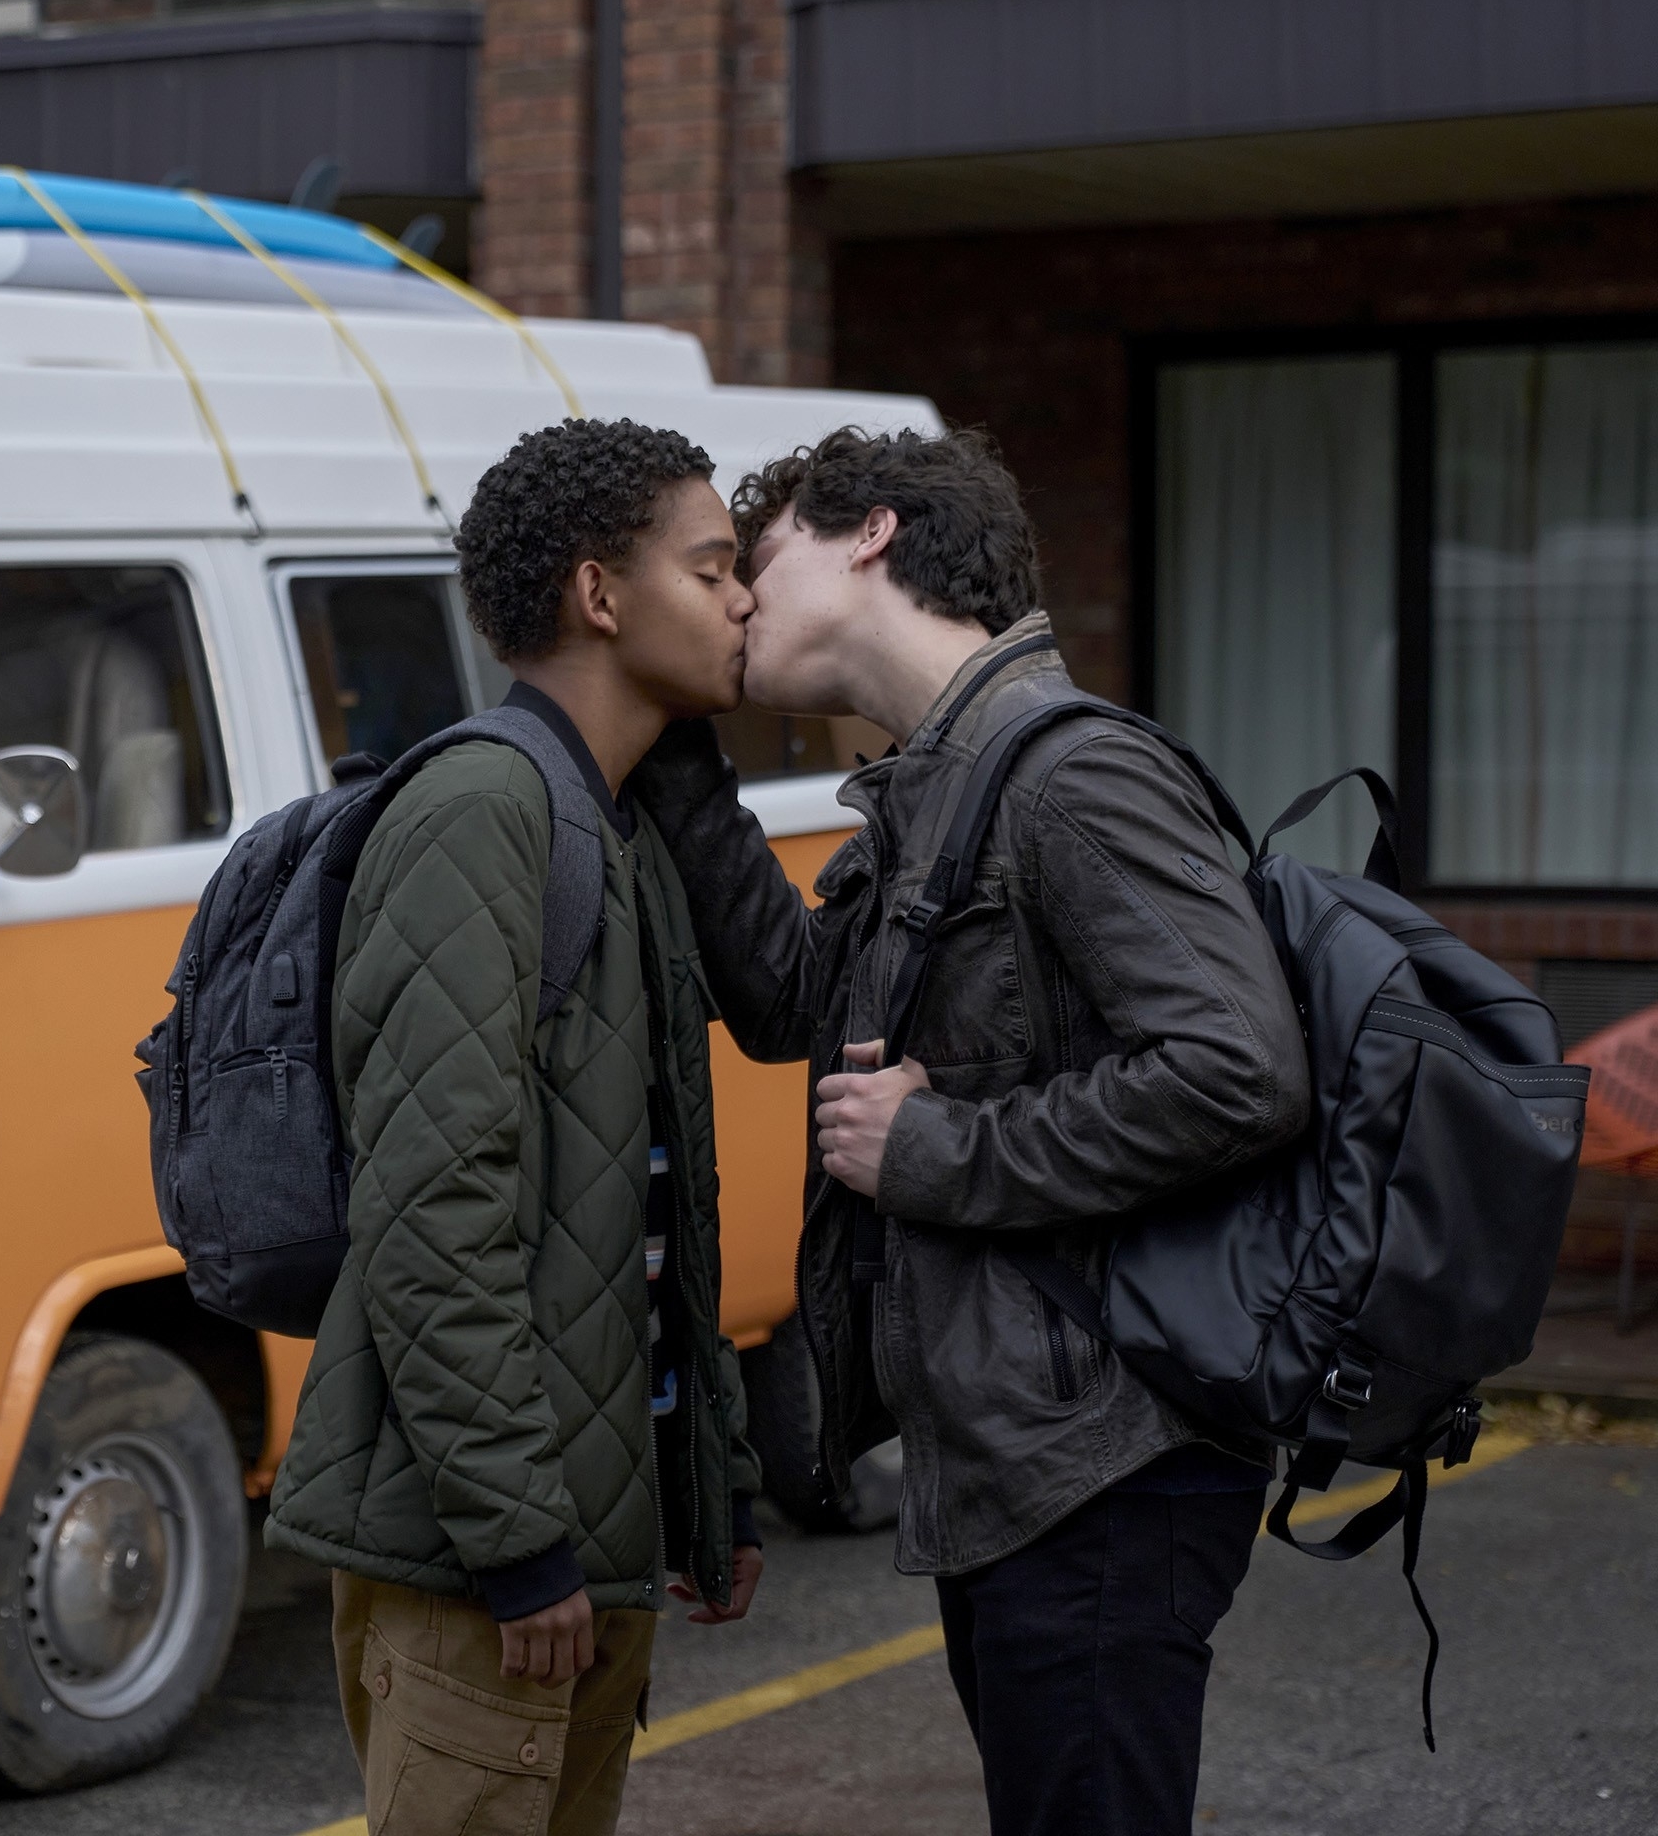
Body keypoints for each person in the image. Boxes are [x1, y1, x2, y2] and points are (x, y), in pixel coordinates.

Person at [636, 426, 1311, 1836]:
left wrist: (942, 1150)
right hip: (1022, 1458)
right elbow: (792, 1004)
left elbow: (1240, 1067)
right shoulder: (934, 784)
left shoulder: (1066, 774)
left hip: (1111, 1465)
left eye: (756, 563)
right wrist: (676, 734)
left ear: (872, 533)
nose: (742, 603)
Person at [265, 418, 765, 1836]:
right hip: (484, 1564)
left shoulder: (614, 818)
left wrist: (705, 1487)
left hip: (585, 1553)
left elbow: (649, 1211)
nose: (745, 601)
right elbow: (436, 1209)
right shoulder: (482, 809)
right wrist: (519, 1538)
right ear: (600, 597)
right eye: (715, 567)